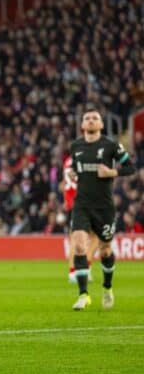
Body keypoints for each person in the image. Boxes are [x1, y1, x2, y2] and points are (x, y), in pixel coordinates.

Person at [69, 106, 135, 310]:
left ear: (101, 124)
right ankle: (83, 295)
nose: (90, 120)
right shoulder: (76, 146)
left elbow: (130, 167)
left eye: (94, 118)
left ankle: (107, 287)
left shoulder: (110, 145)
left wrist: (111, 172)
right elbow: (76, 168)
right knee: (79, 245)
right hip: (82, 205)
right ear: (82, 124)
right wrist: (73, 174)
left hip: (104, 207)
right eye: (87, 118)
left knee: (105, 250)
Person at [61, 155, 97, 283]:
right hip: (82, 202)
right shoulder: (82, 160)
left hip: (72, 203)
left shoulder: (67, 161)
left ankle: (78, 270)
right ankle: (76, 271)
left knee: (79, 237)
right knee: (90, 237)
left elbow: (64, 183)